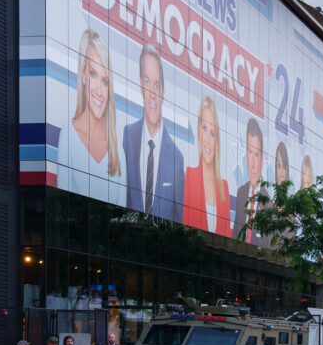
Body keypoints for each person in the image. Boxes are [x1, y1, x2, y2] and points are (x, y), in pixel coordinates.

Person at [58, 28, 125, 206]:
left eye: (105, 81)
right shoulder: (68, 136)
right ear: (83, 76)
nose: (99, 90)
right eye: (93, 74)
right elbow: (60, 207)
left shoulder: (118, 154)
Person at [124, 43, 184, 222]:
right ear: (141, 84)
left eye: (157, 85)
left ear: (163, 91)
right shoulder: (127, 138)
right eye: (147, 82)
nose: (152, 92)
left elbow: (179, 222)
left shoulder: (176, 158)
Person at [183, 96, 232, 237]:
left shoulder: (224, 187)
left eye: (213, 133)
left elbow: (227, 238)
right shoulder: (190, 176)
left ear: (217, 140)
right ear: (199, 130)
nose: (208, 141)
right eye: (205, 128)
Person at [233, 118, 269, 247]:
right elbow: (235, 233)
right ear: (245, 155)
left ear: (262, 159)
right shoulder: (241, 192)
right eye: (250, 152)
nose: (253, 164)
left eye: (257, 154)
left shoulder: (268, 203)